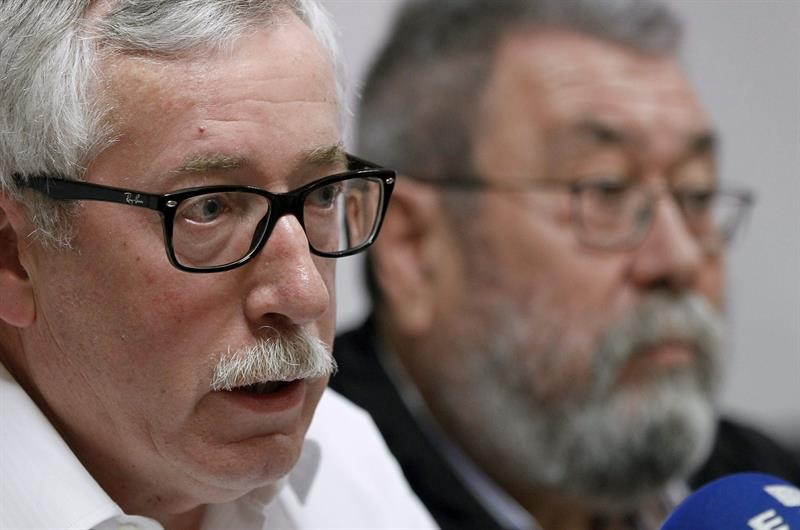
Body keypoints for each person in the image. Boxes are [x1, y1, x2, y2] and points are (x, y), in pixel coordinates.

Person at [330, 1, 800, 529]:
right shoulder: (298, 500)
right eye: (606, 189)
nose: (679, 258)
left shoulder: (760, 492)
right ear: (413, 249)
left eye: (695, 192)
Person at [0, 1, 438, 529]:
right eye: (208, 208)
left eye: (322, 195)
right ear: (13, 255)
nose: (306, 295)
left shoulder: (347, 460)